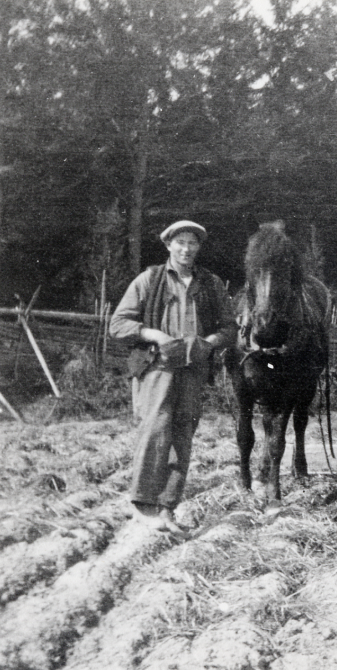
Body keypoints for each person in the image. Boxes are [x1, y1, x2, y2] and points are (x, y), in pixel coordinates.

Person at [110, 220, 236, 536]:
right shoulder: (150, 279)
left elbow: (229, 328)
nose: (186, 249)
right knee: (155, 430)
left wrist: (210, 343)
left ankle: (167, 507)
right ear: (168, 245)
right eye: (180, 242)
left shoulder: (210, 284)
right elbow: (118, 324)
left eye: (192, 243)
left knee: (182, 436)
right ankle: (143, 504)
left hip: (193, 371)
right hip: (157, 366)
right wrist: (153, 334)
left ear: (199, 247)